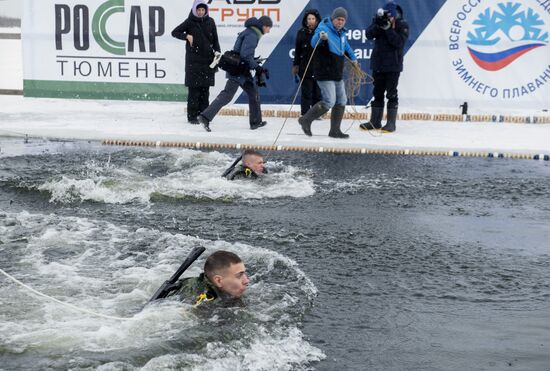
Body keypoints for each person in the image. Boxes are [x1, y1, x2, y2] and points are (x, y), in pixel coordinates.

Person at [198, 16, 274, 132]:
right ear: (264, 26)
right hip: (238, 70)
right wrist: (257, 67)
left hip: (241, 69)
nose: (269, 31)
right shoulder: (252, 35)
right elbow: (245, 55)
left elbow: (242, 53)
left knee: (253, 93)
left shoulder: (250, 32)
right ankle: (205, 117)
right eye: (269, 28)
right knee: (227, 95)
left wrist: (254, 61)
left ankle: (256, 122)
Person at [298, 7, 358, 139]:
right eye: (338, 19)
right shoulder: (323, 28)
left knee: (342, 100)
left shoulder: (341, 33)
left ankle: (335, 131)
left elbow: (346, 46)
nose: (340, 22)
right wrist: (321, 37)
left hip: (336, 72)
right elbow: (313, 43)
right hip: (324, 72)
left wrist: (353, 59)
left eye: (343, 20)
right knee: (329, 101)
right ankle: (306, 119)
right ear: (333, 19)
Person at [359, 1, 409, 132]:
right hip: (378, 64)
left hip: (393, 66)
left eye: (391, 17)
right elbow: (368, 34)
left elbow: (398, 42)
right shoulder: (378, 21)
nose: (389, 19)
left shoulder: (402, 24)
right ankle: (375, 121)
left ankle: (391, 123)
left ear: (395, 15)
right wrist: (379, 25)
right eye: (387, 16)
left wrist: (388, 30)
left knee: (391, 94)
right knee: (377, 93)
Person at [171, 0, 220, 125]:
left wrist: (218, 53)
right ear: (194, 10)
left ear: (206, 10)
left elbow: (215, 39)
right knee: (194, 91)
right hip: (193, 62)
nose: (201, 12)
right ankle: (192, 117)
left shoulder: (211, 21)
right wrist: (186, 36)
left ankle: (204, 115)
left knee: (205, 90)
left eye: (203, 10)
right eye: (198, 10)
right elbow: (174, 32)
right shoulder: (189, 22)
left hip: (208, 61)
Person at [169, 250, 249, 306]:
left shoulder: (226, 291)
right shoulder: (197, 300)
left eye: (244, 273)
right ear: (218, 281)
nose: (246, 281)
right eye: (239, 275)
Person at [292, 9, 322, 116]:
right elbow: (297, 50)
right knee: (306, 92)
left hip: (318, 68)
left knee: (317, 93)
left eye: (313, 19)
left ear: (317, 20)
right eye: (309, 19)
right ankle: (305, 113)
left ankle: (317, 113)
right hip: (305, 67)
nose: (311, 21)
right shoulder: (301, 32)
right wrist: (296, 65)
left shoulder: (321, 32)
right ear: (305, 20)